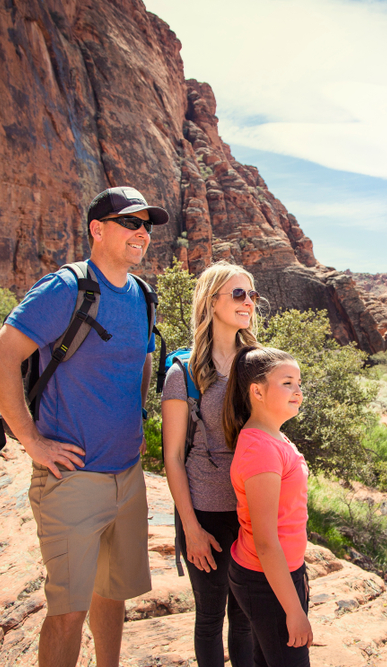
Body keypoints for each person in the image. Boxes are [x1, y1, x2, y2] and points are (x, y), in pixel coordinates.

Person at [0, 186, 168, 667]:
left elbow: (142, 363)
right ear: (97, 229)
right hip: (72, 480)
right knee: (67, 611)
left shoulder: (142, 295)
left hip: (128, 478)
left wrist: (137, 417)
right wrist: (33, 442)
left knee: (113, 595)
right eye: (131, 222)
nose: (141, 233)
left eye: (146, 225)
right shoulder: (65, 289)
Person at [161, 262, 260, 667]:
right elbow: (171, 458)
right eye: (238, 294)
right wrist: (191, 529)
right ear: (211, 301)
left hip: (250, 511)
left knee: (245, 621)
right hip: (206, 513)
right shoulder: (181, 373)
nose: (248, 302)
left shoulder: (258, 364)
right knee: (209, 619)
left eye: (252, 295)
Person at [222, 346, 311, 667]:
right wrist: (294, 611)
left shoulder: (275, 438)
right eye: (287, 382)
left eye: (299, 382)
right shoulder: (261, 450)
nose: (298, 391)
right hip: (267, 581)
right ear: (257, 391)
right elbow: (265, 541)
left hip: (281, 576)